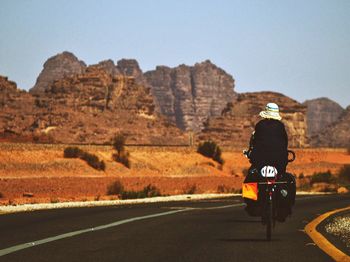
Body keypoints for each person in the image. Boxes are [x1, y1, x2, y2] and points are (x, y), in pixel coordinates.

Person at [243, 102, 296, 222]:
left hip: (260, 161)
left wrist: (251, 154)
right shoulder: (281, 127)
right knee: (285, 178)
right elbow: (284, 144)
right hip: (279, 162)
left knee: (250, 179)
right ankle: (283, 208)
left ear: (266, 113)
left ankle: (251, 204)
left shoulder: (260, 125)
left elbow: (254, 143)